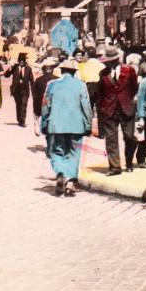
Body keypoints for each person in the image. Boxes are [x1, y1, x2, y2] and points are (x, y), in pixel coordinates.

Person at [41, 59, 92, 196]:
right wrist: (88, 125)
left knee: (56, 153)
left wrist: (44, 124)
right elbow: (86, 107)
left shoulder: (52, 85)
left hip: (56, 126)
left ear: (62, 71)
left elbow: (46, 106)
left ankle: (61, 173)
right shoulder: (81, 85)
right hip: (76, 126)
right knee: (74, 153)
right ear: (74, 72)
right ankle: (70, 183)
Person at [96, 47, 139, 175]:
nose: (108, 64)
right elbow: (101, 92)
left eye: (110, 61)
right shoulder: (103, 74)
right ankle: (115, 167)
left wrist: (129, 101)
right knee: (111, 139)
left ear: (116, 60)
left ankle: (129, 161)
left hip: (126, 109)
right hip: (109, 109)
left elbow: (134, 87)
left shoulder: (129, 70)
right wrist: (103, 106)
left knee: (129, 137)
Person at [31, 58, 59, 136]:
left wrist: (36, 111)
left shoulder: (38, 80)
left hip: (42, 107)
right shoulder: (58, 80)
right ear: (53, 69)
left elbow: (35, 97)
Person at [4, 52, 33, 127]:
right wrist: (10, 67)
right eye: (20, 60)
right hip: (16, 90)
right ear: (18, 60)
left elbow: (31, 81)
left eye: (23, 60)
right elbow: (6, 75)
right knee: (19, 104)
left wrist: (34, 92)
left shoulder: (28, 69)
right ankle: (19, 119)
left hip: (24, 90)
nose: (22, 62)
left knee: (24, 104)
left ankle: (22, 121)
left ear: (25, 61)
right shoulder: (15, 68)